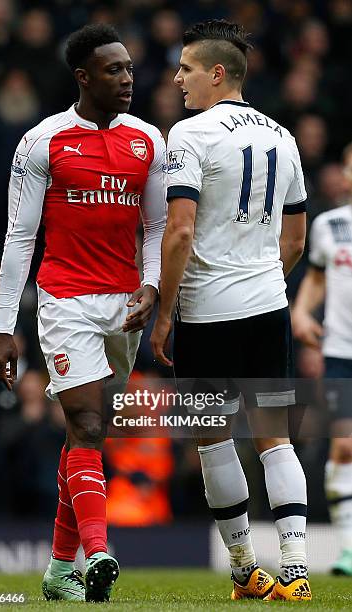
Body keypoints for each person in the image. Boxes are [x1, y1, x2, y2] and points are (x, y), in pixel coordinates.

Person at [0, 24, 166, 603]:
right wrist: (3, 327)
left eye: (130, 69)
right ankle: (98, 553)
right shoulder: (43, 142)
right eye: (113, 70)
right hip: (65, 299)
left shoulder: (148, 140)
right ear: (83, 77)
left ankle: (59, 568)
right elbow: (19, 236)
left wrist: (152, 287)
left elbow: (158, 226)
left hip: (126, 306)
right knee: (88, 425)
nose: (127, 80)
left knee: (85, 436)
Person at [151, 19, 311, 601]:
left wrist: (164, 312)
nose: (178, 79)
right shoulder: (283, 136)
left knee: (213, 439)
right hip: (269, 305)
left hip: (206, 312)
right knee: (276, 438)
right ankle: (295, 568)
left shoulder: (189, 135)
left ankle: (245, 571)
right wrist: (263, 279)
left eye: (187, 68)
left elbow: (179, 231)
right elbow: (295, 240)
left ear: (217, 74)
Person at [292, 142, 352, 576]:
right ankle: (349, 548)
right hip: (341, 354)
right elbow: (315, 278)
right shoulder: (330, 226)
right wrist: (300, 311)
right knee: (345, 448)